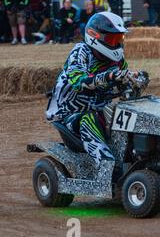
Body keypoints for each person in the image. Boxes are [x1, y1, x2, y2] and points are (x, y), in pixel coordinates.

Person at [46, 12, 131, 193]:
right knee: (88, 119)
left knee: (128, 113)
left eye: (119, 38)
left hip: (100, 108)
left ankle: (136, 159)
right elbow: (78, 81)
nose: (117, 43)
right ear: (95, 37)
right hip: (69, 114)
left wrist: (135, 81)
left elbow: (124, 84)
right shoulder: (81, 52)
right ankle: (108, 167)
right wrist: (107, 77)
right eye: (113, 38)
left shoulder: (117, 60)